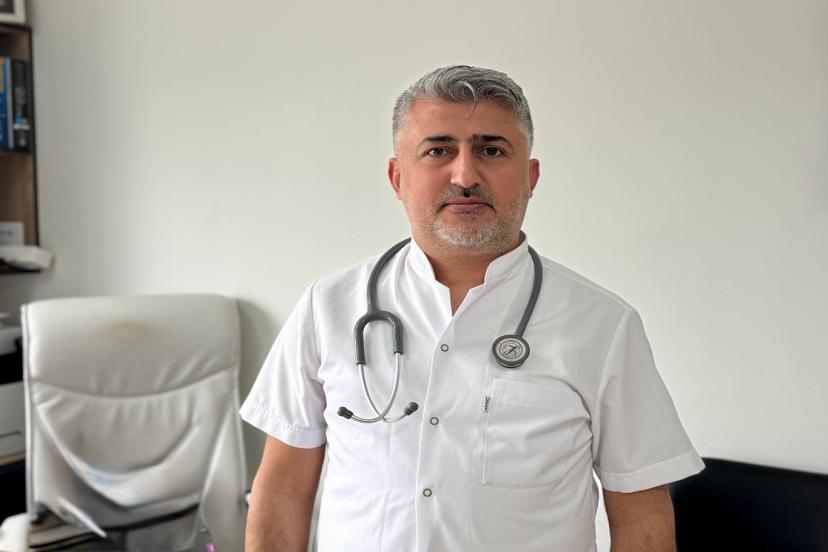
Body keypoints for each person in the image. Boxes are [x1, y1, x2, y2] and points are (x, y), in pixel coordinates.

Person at [241, 65, 705, 551]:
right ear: (397, 177)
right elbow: (282, 490)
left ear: (530, 177)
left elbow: (640, 515)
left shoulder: (602, 325)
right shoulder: (328, 308)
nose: (464, 175)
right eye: (438, 150)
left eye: (491, 150)